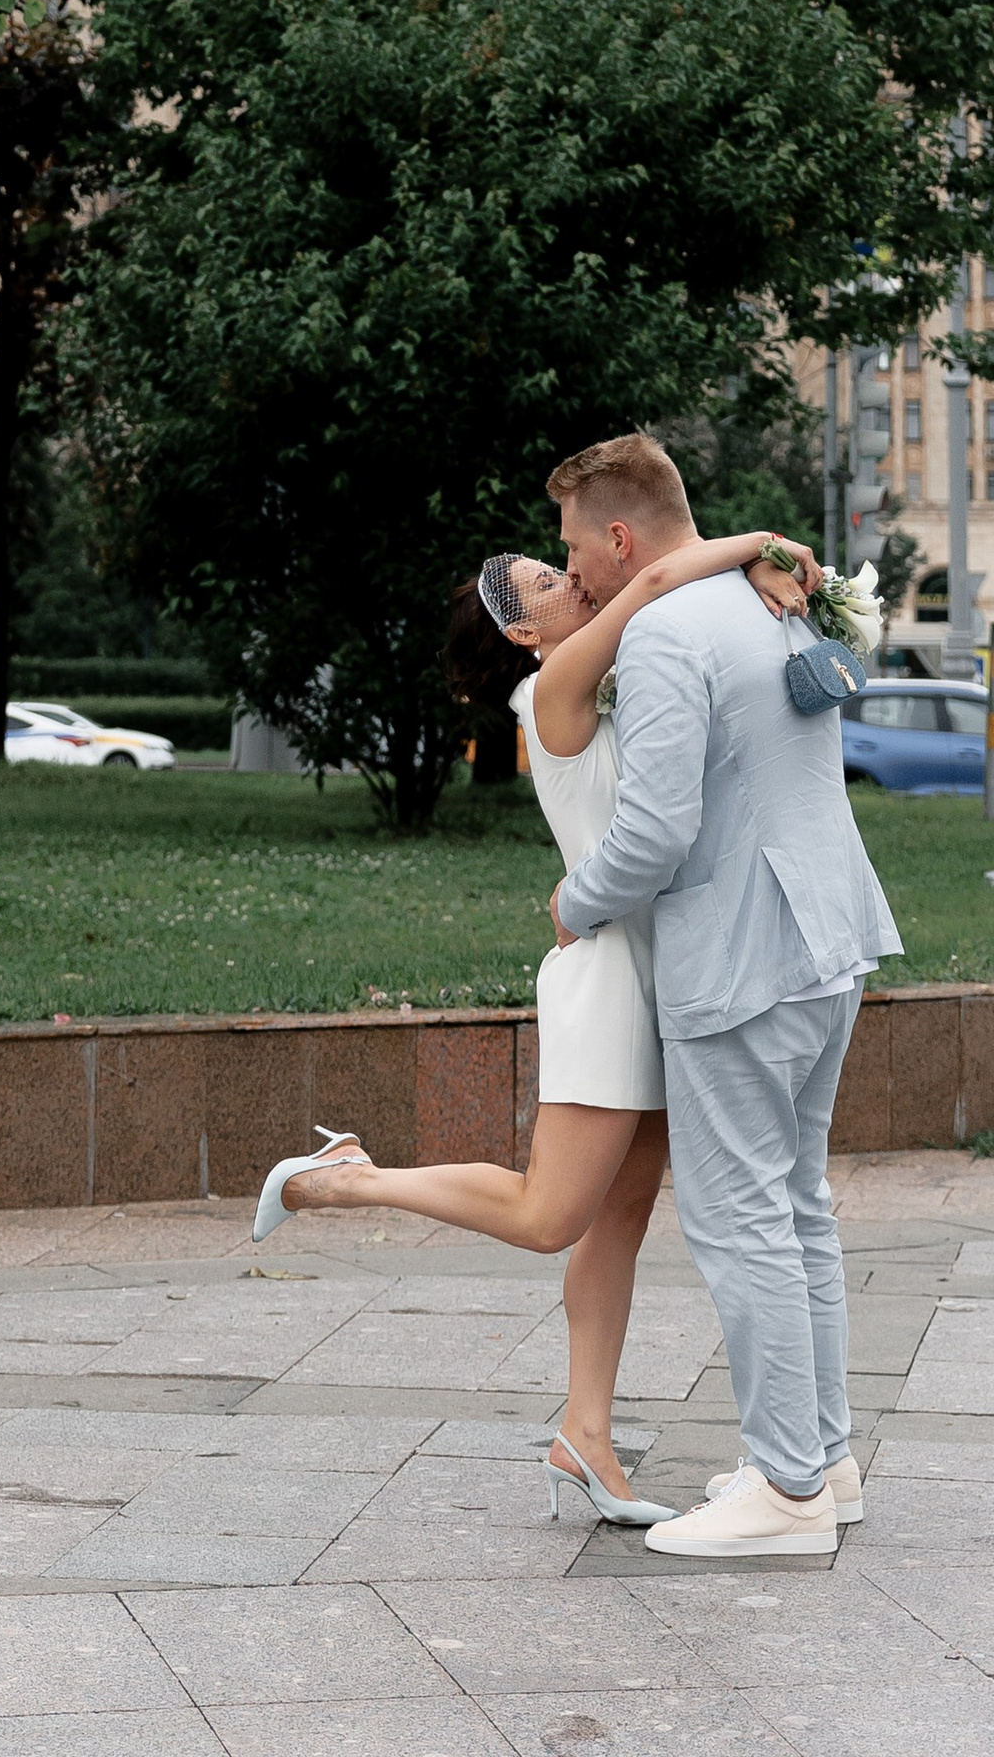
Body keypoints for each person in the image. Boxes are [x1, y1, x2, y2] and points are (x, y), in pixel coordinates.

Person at [251, 509, 819, 1527]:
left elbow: (676, 628)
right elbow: (653, 582)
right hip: (609, 981)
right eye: (548, 582)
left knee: (620, 1220)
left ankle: (584, 1436)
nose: (571, 578)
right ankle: (341, 1179)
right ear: (523, 631)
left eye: (562, 566)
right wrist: (763, 546)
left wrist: (759, 589)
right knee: (549, 1217)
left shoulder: (605, 673)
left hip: (669, 974)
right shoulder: (551, 690)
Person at [551, 430, 902, 1562]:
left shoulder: (665, 631)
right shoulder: (770, 601)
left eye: (574, 548)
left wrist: (575, 901)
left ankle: (788, 1492)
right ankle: (823, 1461)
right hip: (828, 936)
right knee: (795, 1207)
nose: (574, 572)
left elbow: (655, 830)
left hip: (742, 957)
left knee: (742, 1219)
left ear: (618, 537)